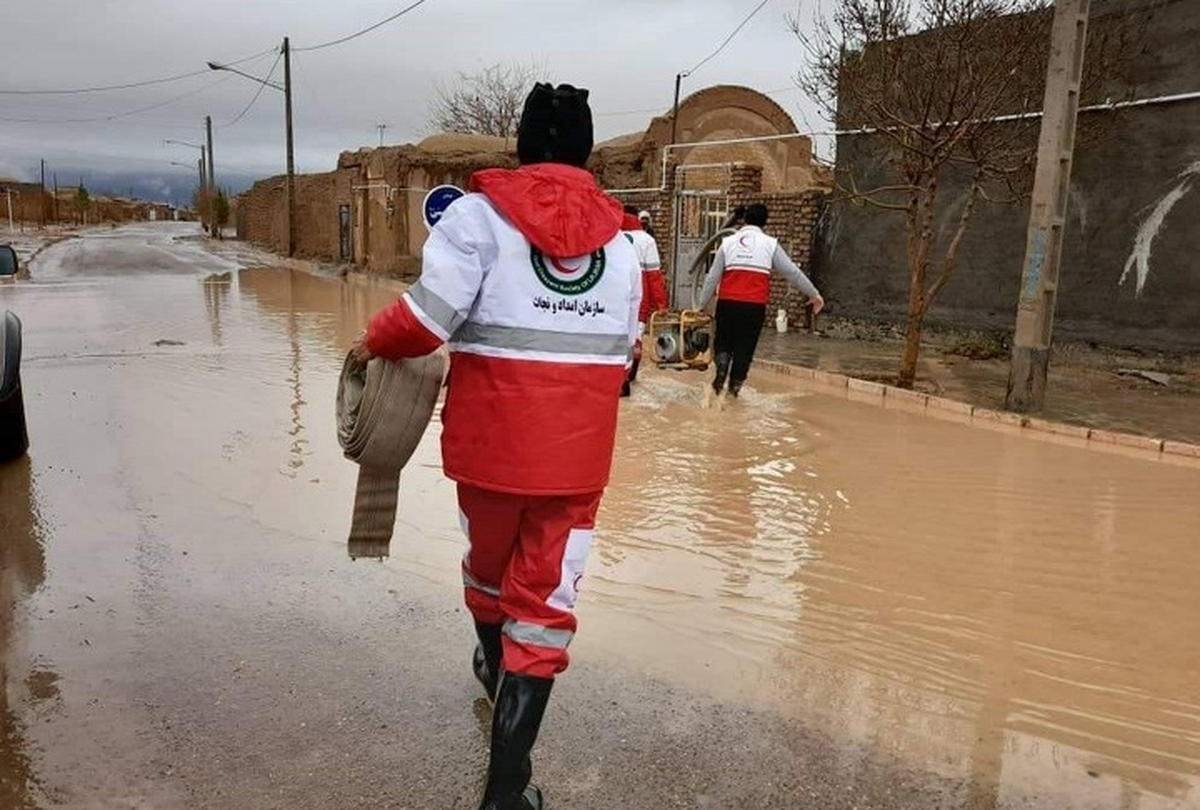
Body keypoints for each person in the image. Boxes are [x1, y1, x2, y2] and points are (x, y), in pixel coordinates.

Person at [351, 83, 641, 810]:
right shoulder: (627, 243)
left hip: (488, 453)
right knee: (544, 609)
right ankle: (507, 790)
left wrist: (369, 340)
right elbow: (627, 359)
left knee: (487, 571)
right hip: (576, 464)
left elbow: (423, 322)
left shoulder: (477, 220)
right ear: (584, 152)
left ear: (520, 145)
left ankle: (491, 665)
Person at [697, 203, 824, 397]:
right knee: (745, 347)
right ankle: (734, 390)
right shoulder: (770, 244)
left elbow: (712, 277)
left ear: (745, 219)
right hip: (754, 306)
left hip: (727, 304)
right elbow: (792, 272)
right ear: (765, 222)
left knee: (724, 340)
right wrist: (814, 294)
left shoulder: (728, 242)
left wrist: (700, 305)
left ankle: (721, 369)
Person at [620, 204, 669, 396]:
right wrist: (661, 305)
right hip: (639, 300)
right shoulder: (647, 240)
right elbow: (654, 277)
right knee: (635, 338)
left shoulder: (609, 236)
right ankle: (629, 377)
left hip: (612, 300)